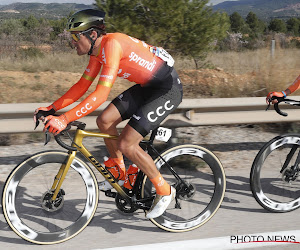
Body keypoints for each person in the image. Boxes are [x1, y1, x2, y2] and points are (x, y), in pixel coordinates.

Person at [33, 9, 183, 219]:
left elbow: (101, 94)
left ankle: (164, 190)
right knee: (104, 120)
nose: (73, 42)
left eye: (76, 37)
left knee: (127, 144)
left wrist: (65, 119)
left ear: (92, 35)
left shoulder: (112, 45)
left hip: (167, 90)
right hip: (147, 87)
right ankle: (120, 172)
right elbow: (81, 86)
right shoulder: (96, 52)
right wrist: (52, 108)